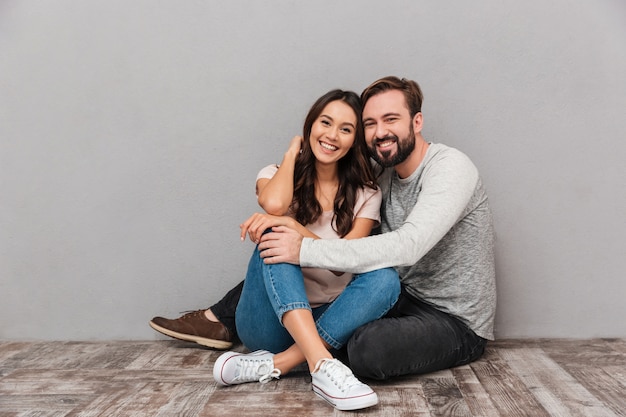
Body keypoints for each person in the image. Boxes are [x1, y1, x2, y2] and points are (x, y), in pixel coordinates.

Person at [151, 76, 496, 382]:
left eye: (391, 119)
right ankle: (223, 318)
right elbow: (299, 224)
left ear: (417, 121)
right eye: (370, 123)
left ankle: (283, 361)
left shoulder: (450, 168)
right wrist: (289, 218)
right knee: (287, 245)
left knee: (367, 351)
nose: (380, 132)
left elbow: (409, 246)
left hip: (453, 319)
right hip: (400, 299)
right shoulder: (383, 176)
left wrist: (301, 243)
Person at [152, 89, 400, 411]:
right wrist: (292, 152)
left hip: (326, 318)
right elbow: (273, 204)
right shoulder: (275, 174)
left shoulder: (367, 193)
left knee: (386, 278)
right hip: (269, 322)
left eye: (345, 129)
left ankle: (279, 364)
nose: (332, 135)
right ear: (310, 125)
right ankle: (323, 366)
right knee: (274, 229)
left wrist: (298, 230)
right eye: (325, 123)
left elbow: (345, 264)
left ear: (354, 141)